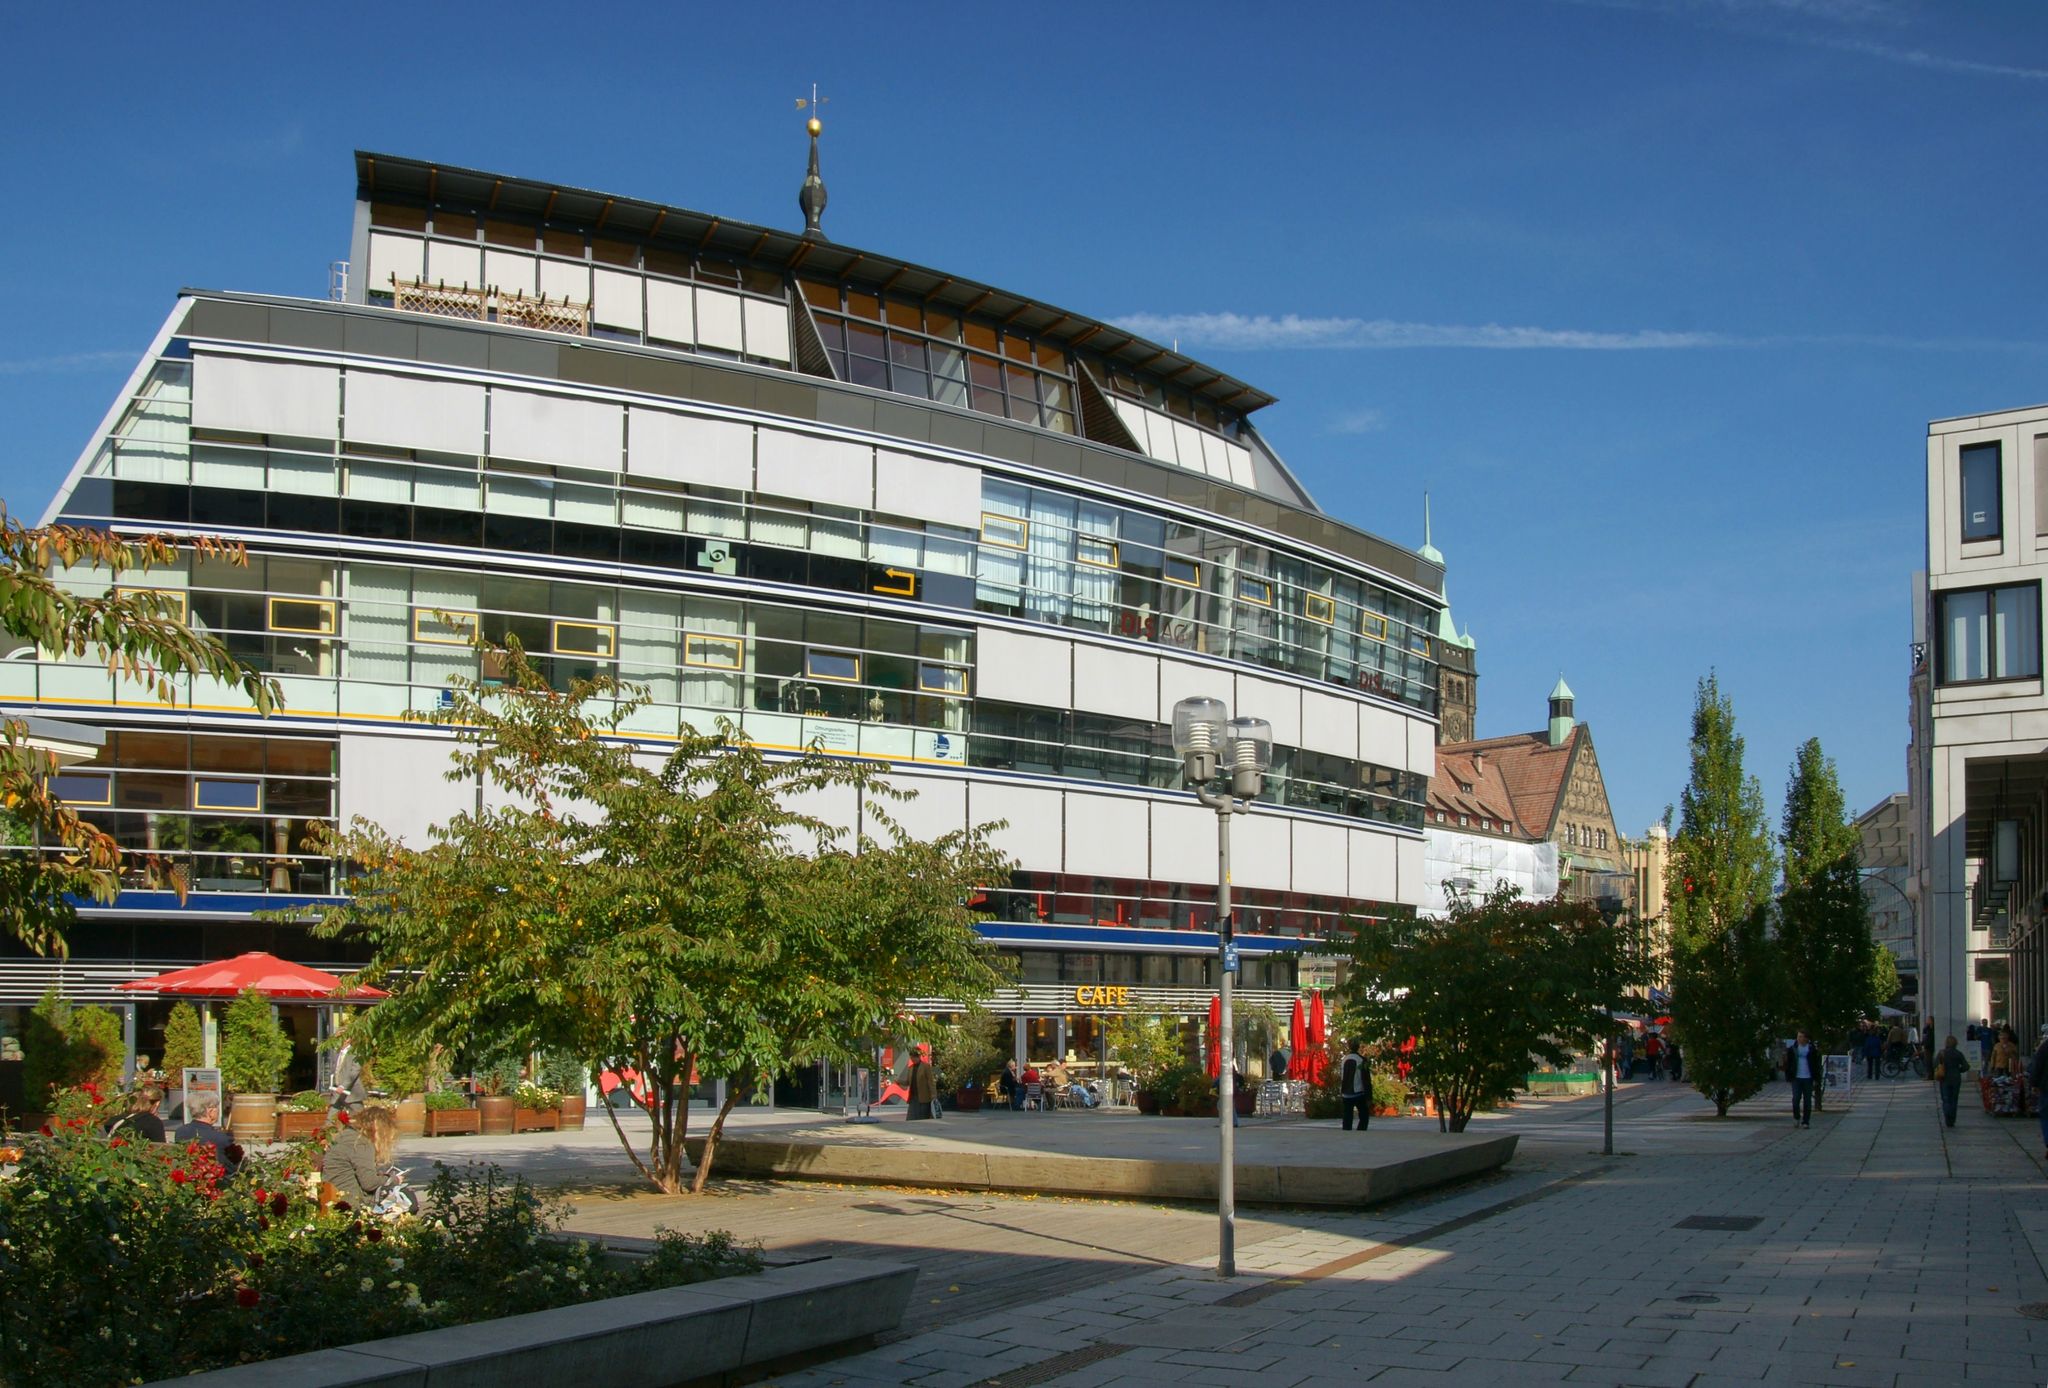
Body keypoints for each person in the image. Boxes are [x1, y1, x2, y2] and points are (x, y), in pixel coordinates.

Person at [321, 1107, 395, 1210]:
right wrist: (392, 1179)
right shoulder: (361, 1143)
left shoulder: (345, 1135)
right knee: (405, 1201)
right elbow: (369, 1183)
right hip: (350, 1203)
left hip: (332, 1196)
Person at [172, 1098, 238, 1173]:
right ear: (210, 1112)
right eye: (217, 1109)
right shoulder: (221, 1137)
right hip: (216, 1180)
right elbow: (234, 1167)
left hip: (189, 1176)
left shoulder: (180, 1131)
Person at [1785, 1031, 1820, 1128]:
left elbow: (1816, 1065)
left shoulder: (1811, 1049)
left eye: (1801, 1037)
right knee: (1796, 1099)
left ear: (1806, 1038)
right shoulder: (1793, 1049)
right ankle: (1796, 1117)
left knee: (1807, 1100)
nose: (1799, 1039)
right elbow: (1788, 1064)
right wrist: (1788, 1076)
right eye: (1798, 1036)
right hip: (1796, 1077)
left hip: (1808, 1077)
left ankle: (1806, 1121)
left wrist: (1816, 1078)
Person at [1935, 1034, 1971, 1127]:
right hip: (1955, 1078)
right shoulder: (1958, 1053)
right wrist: (1959, 1070)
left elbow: (1934, 1064)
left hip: (1944, 1078)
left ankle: (1947, 1114)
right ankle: (1952, 1120)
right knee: (1954, 1099)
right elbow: (1966, 1066)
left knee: (1946, 1098)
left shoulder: (1941, 1053)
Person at [327, 1029, 366, 1115]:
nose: (336, 1041)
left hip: (351, 1093)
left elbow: (355, 1071)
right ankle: (328, 1127)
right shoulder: (337, 1053)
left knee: (358, 1118)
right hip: (337, 1092)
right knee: (331, 1118)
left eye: (339, 1038)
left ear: (348, 1039)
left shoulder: (356, 1052)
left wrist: (343, 1086)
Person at [1339, 1039, 1371, 1132]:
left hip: (1346, 1092)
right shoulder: (1361, 1060)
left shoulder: (1344, 1059)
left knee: (1347, 1116)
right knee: (1364, 1116)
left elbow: (1342, 1076)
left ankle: (1346, 1133)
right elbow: (1366, 1079)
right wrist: (1369, 1096)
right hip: (1359, 1092)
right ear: (1358, 1047)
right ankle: (1360, 1132)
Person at [2029, 1024, 2048, 1161]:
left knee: (2046, 1116)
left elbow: (2037, 1067)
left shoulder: (2044, 1048)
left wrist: (2034, 1083)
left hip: (2046, 1088)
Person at [906, 1048, 938, 1120]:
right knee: (911, 1118)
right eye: (911, 1057)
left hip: (924, 1098)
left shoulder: (925, 1067)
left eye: (914, 1057)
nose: (913, 1059)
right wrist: (898, 1081)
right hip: (913, 1098)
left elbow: (931, 1082)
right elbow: (908, 1082)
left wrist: (933, 1095)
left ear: (919, 1057)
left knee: (923, 1118)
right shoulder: (911, 1068)